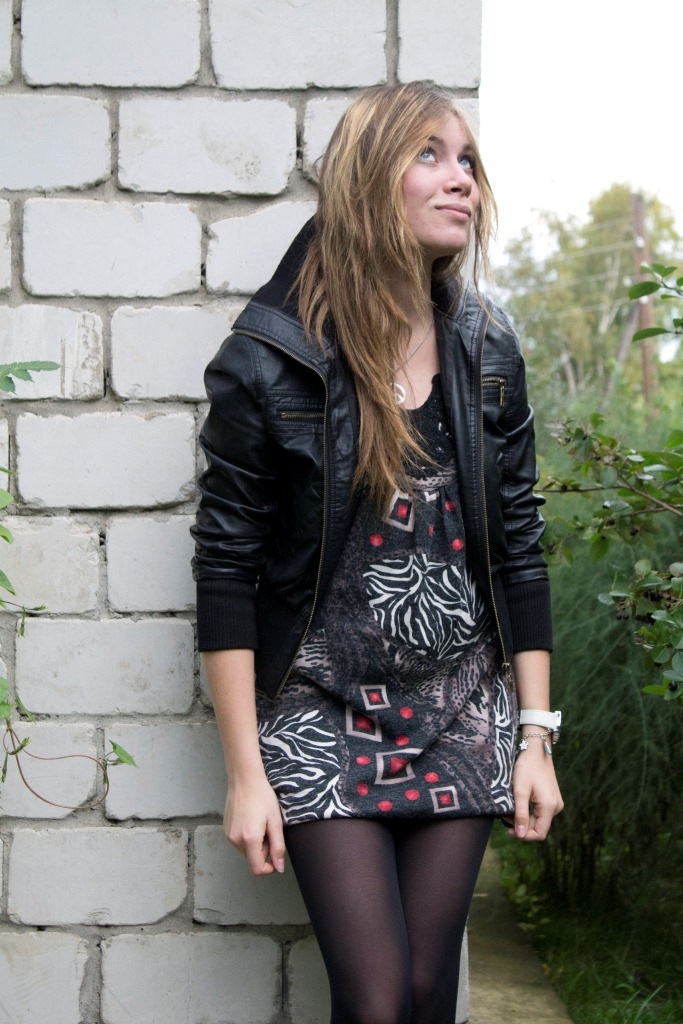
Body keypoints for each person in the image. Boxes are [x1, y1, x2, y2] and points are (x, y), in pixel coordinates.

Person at [192, 80, 563, 1024]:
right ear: (366, 180)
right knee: (377, 997)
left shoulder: (486, 347)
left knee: (429, 992)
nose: (461, 179)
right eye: (428, 155)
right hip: (320, 710)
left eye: (466, 159)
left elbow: (519, 547)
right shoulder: (268, 358)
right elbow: (226, 570)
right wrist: (246, 774)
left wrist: (534, 737)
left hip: (460, 704)